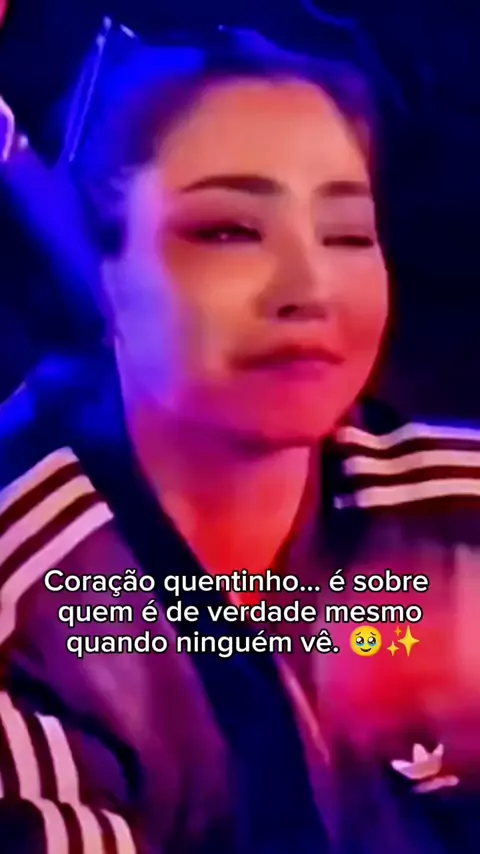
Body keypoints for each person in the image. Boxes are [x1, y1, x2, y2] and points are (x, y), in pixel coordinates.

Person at [0, 26, 480, 854]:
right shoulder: (30, 614)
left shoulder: (457, 511)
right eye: (227, 230)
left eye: (348, 234)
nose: (311, 288)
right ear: (104, 275)